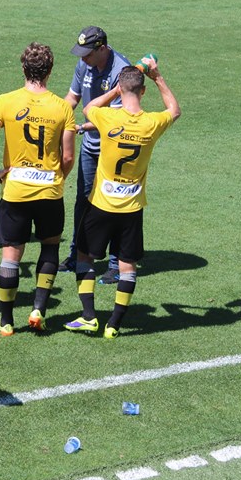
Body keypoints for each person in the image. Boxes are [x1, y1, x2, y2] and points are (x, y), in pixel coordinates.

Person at [64, 57, 180, 339]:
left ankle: (89, 317)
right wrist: (158, 76)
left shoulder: (108, 118)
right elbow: (174, 110)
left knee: (84, 257)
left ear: (120, 88)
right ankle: (114, 324)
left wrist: (114, 91)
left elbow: (90, 107)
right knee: (127, 266)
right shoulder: (151, 123)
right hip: (131, 209)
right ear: (143, 92)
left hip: (100, 205)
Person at [0, 43, 76, 336]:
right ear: (50, 70)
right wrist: (58, 176)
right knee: (50, 246)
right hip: (50, 192)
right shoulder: (62, 108)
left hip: (15, 191)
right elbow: (68, 156)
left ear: (23, 68)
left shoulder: (4, 101)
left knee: (11, 256)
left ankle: (6, 321)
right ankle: (39, 310)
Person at [59, 26, 130, 283]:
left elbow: (116, 119)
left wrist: (79, 127)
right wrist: (57, 118)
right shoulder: (84, 64)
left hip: (114, 149)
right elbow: (72, 97)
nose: (83, 58)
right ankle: (77, 254)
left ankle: (115, 263)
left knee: (113, 204)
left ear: (102, 49)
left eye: (88, 53)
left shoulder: (121, 70)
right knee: (83, 200)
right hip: (90, 146)